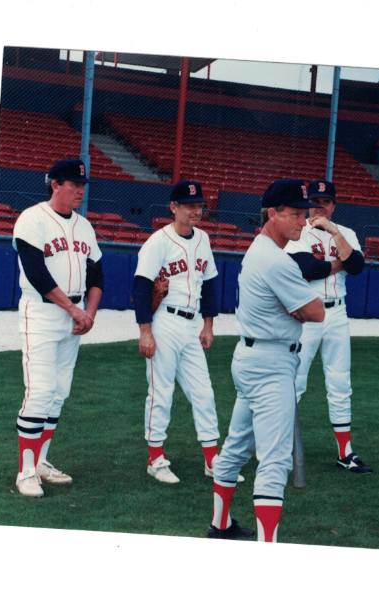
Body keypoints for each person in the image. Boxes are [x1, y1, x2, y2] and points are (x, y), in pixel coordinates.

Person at [208, 179, 324, 542]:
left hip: (252, 357)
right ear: (272, 214)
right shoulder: (276, 260)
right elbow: (318, 312)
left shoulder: (261, 249)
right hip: (271, 362)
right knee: (275, 460)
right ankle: (266, 549)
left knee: (237, 446)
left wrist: (296, 312)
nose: (303, 222)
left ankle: (221, 525)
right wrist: (299, 310)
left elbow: (304, 312)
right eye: (295, 214)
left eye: (305, 214)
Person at [132, 180, 242, 484]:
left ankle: (212, 460)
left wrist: (208, 325)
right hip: (164, 322)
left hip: (192, 324)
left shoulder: (203, 238)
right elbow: (141, 288)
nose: (196, 211)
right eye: (190, 205)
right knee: (161, 392)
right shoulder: (158, 242)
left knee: (203, 392)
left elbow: (209, 284)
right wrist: (145, 332)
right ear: (174, 207)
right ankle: (155, 459)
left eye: (199, 206)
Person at [12, 158, 104, 498]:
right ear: (55, 185)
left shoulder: (84, 226)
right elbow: (37, 274)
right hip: (42, 312)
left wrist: (88, 313)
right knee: (39, 393)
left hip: (75, 316)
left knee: (59, 393)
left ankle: (40, 462)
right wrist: (74, 310)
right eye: (74, 184)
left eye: (83, 185)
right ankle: (25, 472)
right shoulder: (32, 219)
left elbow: (96, 274)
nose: (81, 189)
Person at [283, 180, 371, 473]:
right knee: (295, 381)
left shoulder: (345, 233)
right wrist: (340, 261)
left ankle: (345, 453)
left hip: (338, 313)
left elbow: (357, 266)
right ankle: (279, 447)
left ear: (334, 205)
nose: (321, 205)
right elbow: (308, 269)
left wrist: (334, 234)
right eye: (317, 200)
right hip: (306, 315)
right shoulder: (298, 232)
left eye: (327, 201)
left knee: (340, 382)